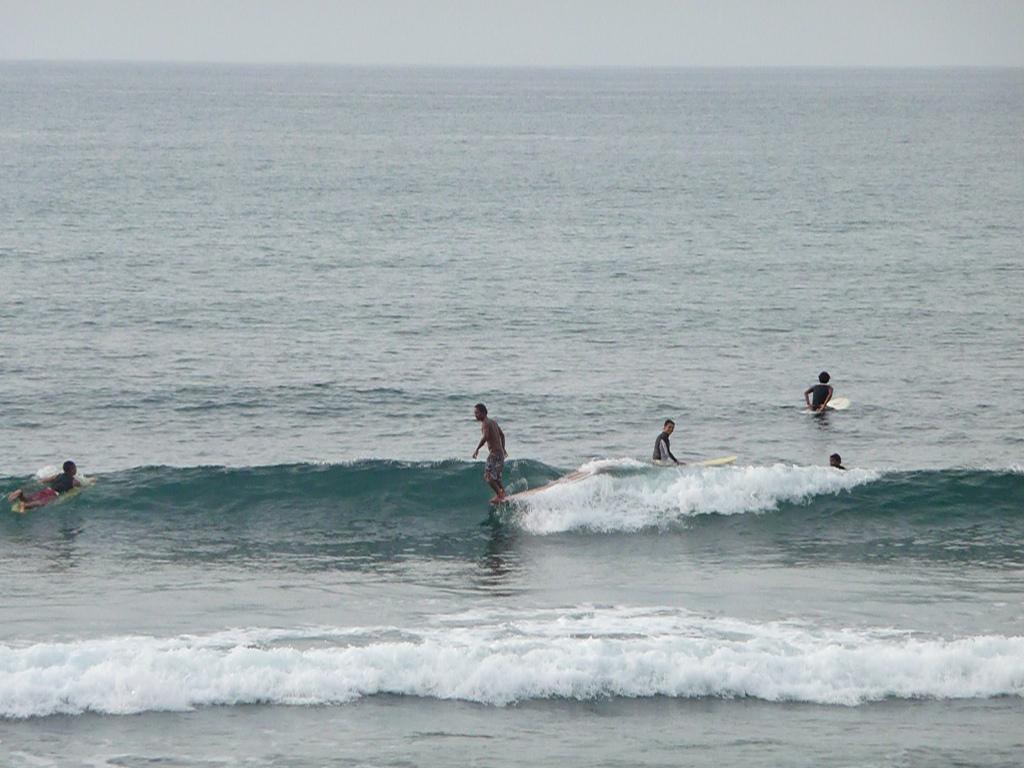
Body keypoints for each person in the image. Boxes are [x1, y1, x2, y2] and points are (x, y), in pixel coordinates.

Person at [7, 460, 81, 510]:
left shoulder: (58, 475)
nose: (76, 470)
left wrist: (38, 482)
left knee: (30, 499)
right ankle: (25, 506)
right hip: (54, 494)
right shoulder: (74, 481)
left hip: (47, 490)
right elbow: (81, 487)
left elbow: (44, 480)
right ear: (72, 470)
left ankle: (20, 494)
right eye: (75, 468)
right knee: (42, 503)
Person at [472, 403, 507, 504]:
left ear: (483, 413)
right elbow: (502, 435)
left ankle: (499, 495)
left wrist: (477, 449)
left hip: (494, 454)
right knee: (496, 476)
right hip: (500, 453)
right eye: (475, 413)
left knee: (488, 476)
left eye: (477, 413)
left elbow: (486, 436)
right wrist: (503, 449)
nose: (475, 415)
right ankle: (503, 493)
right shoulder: (493, 422)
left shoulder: (485, 423)